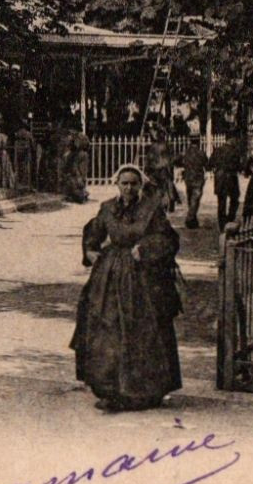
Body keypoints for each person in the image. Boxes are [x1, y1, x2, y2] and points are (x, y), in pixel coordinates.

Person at [70, 164, 182, 412]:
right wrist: (90, 250)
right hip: (109, 277)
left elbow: (168, 238)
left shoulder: (152, 209)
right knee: (107, 329)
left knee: (143, 330)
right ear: (117, 184)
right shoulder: (108, 208)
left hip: (143, 278)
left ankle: (145, 392)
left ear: (140, 185)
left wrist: (145, 249)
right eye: (125, 183)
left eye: (134, 183)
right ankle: (110, 390)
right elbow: (94, 231)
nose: (129, 188)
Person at [178, 139, 209, 230]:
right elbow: (207, 165)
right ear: (198, 142)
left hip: (188, 178)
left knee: (190, 198)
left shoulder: (185, 153)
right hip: (198, 179)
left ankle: (193, 221)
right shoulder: (201, 153)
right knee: (195, 199)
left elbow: (178, 162)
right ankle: (190, 218)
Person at [144, 132, 179, 212]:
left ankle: (160, 204)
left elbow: (148, 159)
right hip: (165, 169)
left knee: (157, 187)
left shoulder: (153, 147)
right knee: (167, 186)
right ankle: (169, 202)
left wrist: (147, 169)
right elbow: (171, 158)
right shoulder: (167, 146)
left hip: (155, 170)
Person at [59, 130, 90, 204]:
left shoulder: (77, 153)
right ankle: (78, 193)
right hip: (74, 178)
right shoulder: (78, 154)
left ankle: (78, 193)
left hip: (74, 178)